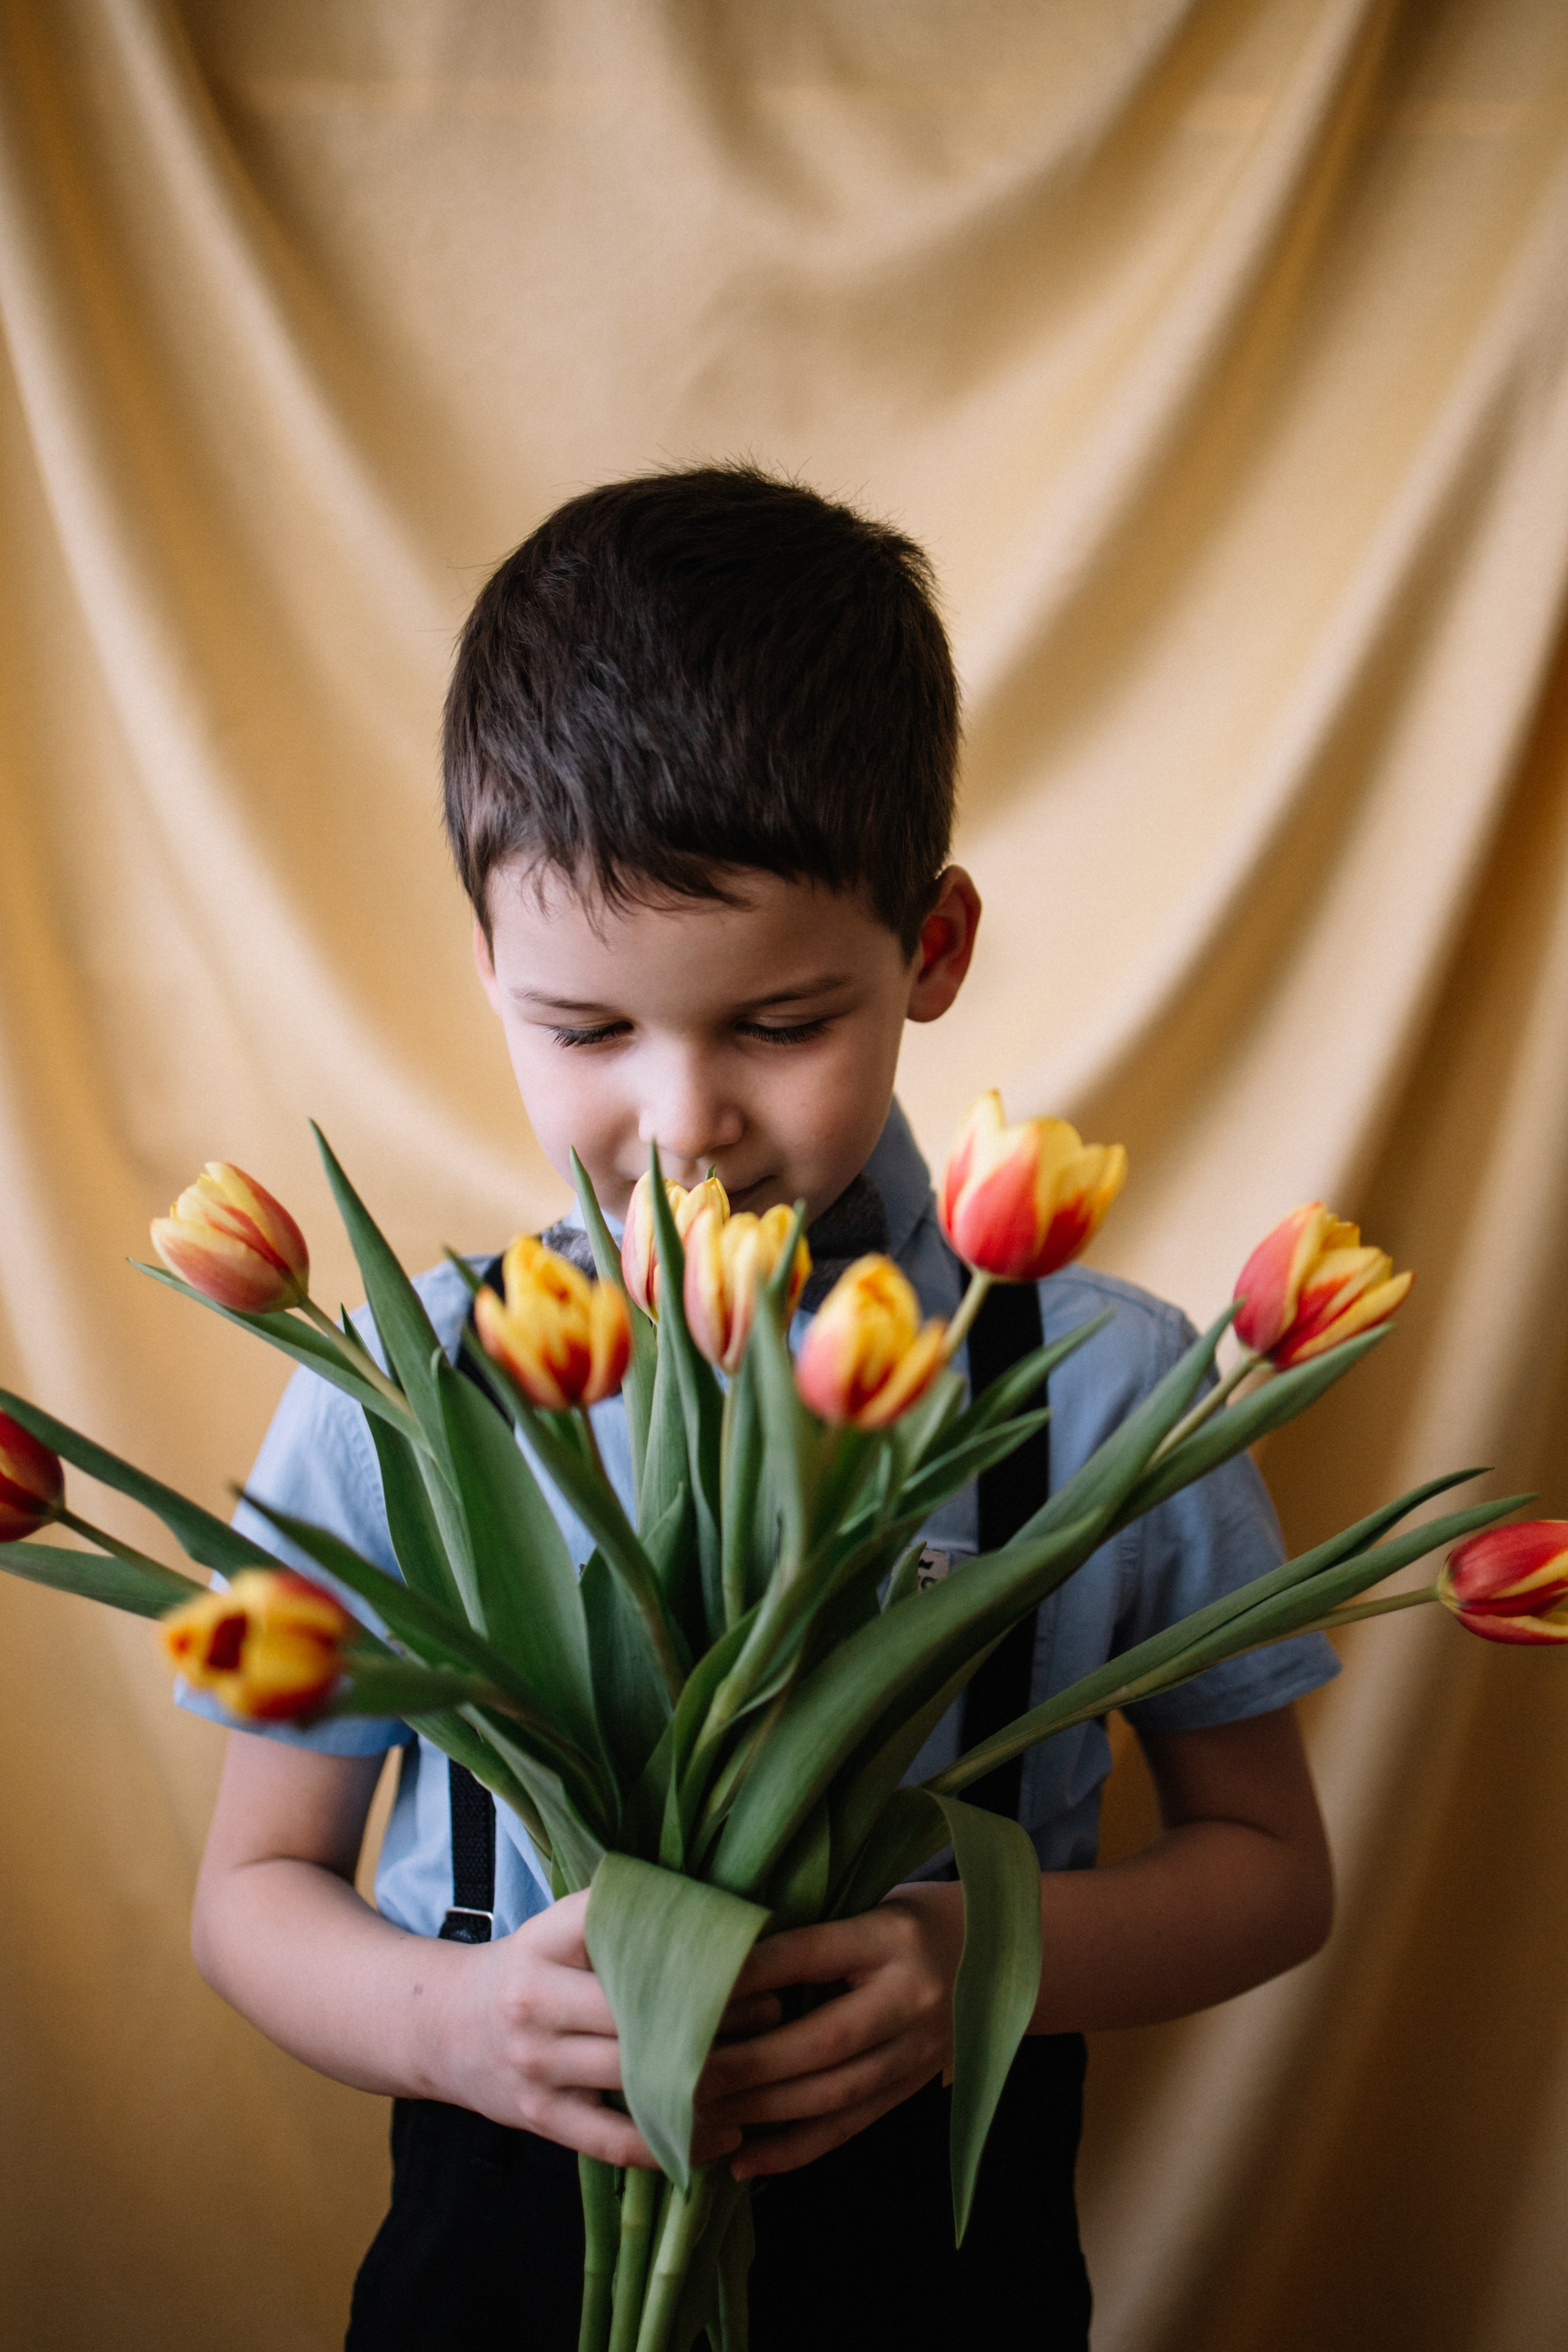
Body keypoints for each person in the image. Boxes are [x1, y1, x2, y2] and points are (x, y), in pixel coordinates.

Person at [185, 466, 1336, 2350]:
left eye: (780, 1024)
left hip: (938, 2264)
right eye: (585, 1030)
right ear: (484, 958)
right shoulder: (401, 1397)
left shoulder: (1108, 1388)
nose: (685, 1119)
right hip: (503, 2247)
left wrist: (979, 1950)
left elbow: (1275, 1874)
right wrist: (451, 2026)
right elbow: (254, 1886)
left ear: (934, 952)